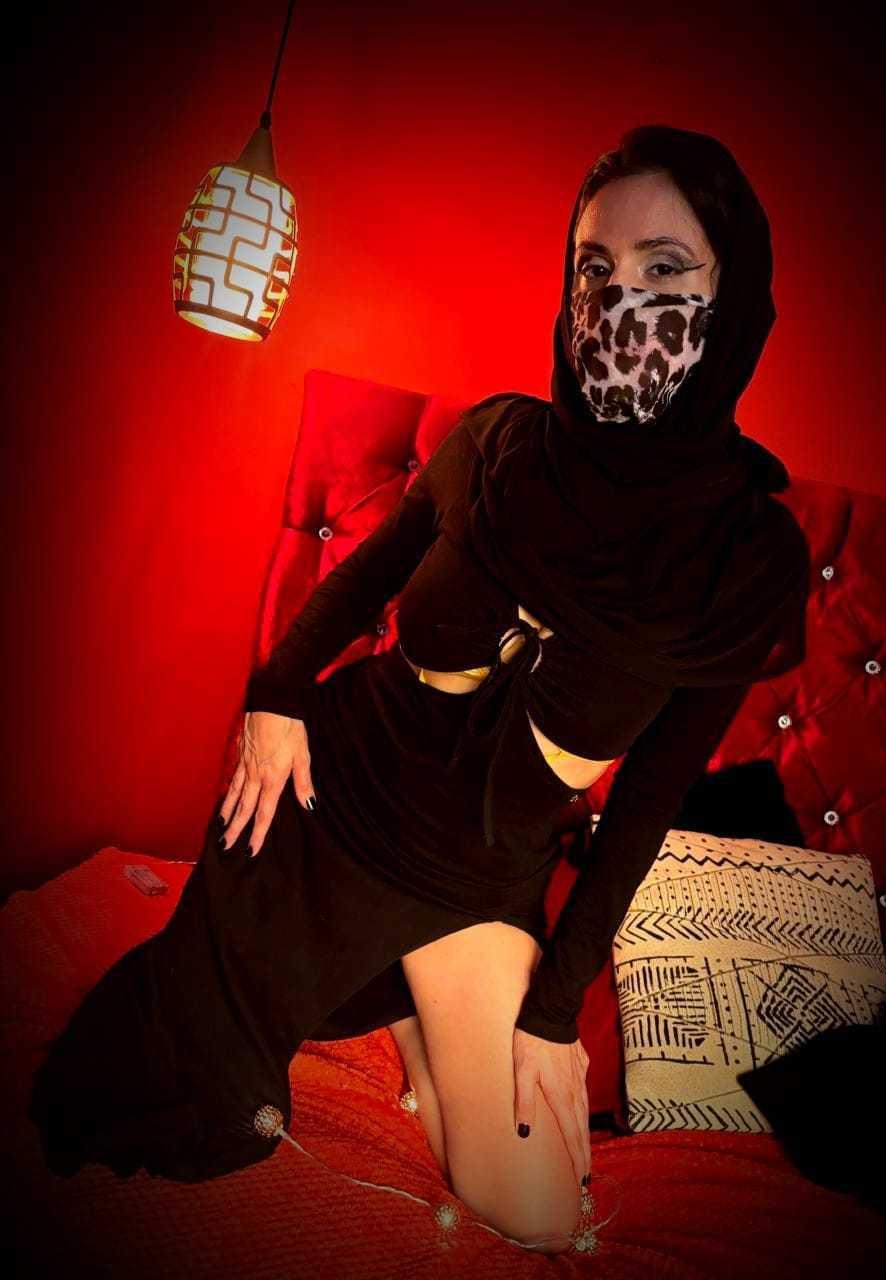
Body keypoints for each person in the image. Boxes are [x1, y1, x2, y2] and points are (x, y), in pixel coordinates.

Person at [28, 124, 810, 1255]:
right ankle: (358, 985)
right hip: (326, 803)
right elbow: (363, 580)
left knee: (536, 1212)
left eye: (665, 268)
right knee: (184, 1085)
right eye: (594, 266)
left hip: (475, 879)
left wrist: (555, 1011)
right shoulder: (498, 441)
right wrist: (273, 696)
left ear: (731, 298)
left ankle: (405, 995)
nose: (619, 303)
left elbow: (648, 800)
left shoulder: (746, 560)